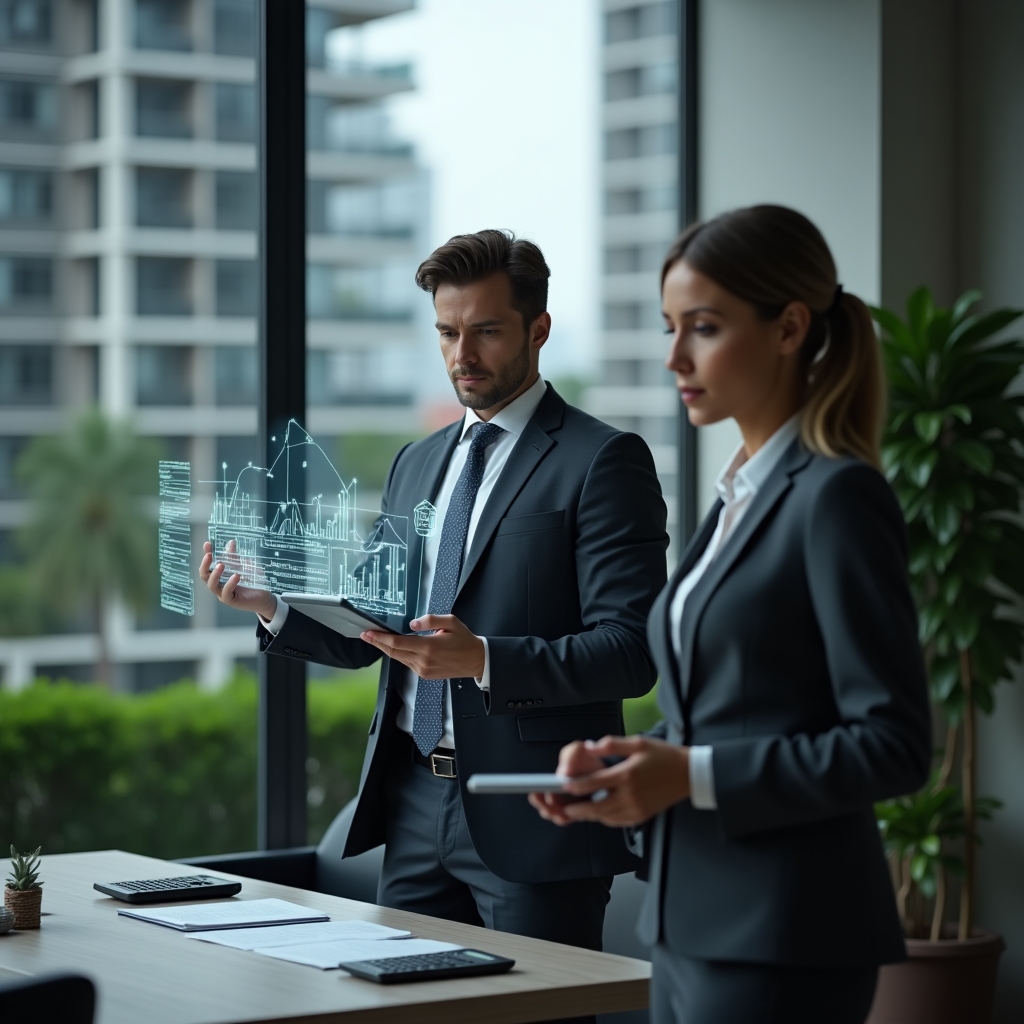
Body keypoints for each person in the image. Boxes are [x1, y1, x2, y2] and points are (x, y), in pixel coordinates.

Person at [199, 230, 668, 983]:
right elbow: (372, 632)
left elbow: (632, 649)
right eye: (448, 332)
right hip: (414, 803)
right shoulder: (418, 462)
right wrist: (272, 608)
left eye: (485, 330)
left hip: (535, 812)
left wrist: (482, 659)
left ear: (537, 330)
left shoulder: (602, 460)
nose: (462, 354)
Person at [530, 205, 932, 1024]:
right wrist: (636, 765)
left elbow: (893, 745)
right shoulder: (739, 496)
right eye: (671, 326)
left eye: (703, 328)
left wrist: (691, 775)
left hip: (783, 935)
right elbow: (734, 709)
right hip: (687, 923)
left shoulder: (836, 498)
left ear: (789, 328)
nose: (675, 355)